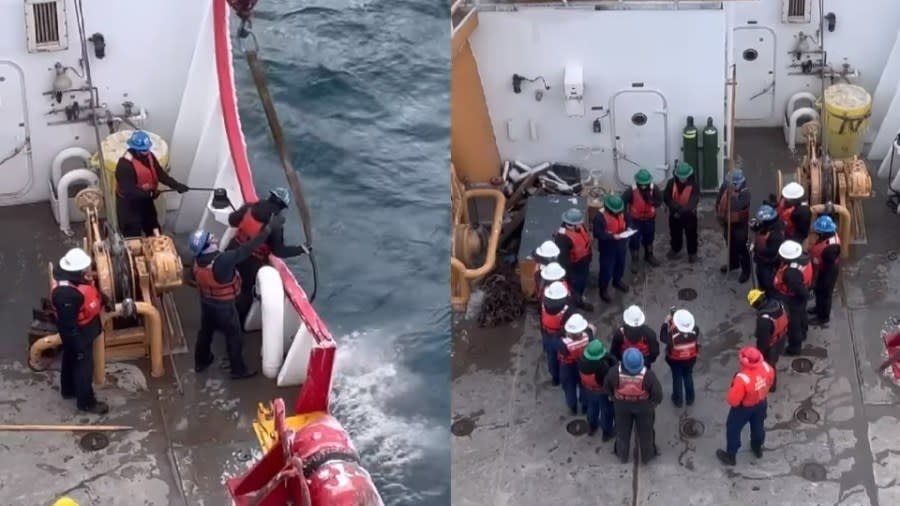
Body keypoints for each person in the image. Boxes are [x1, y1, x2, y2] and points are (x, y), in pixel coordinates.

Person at [189, 212, 285, 379]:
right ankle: (238, 370)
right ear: (206, 246)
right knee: (234, 336)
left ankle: (201, 361)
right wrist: (267, 230)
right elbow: (247, 249)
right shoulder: (224, 260)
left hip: (206, 302)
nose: (213, 237)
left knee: (205, 332)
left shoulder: (198, 261)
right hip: (224, 307)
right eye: (209, 238)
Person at [227, 188, 308, 324]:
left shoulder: (250, 207)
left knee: (225, 281)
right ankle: (236, 323)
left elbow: (232, 220)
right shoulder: (275, 225)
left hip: (233, 248)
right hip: (250, 261)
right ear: (282, 207)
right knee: (246, 292)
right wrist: (301, 249)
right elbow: (279, 251)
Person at [50, 248, 108, 414]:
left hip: (80, 330)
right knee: (84, 367)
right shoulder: (65, 295)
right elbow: (67, 326)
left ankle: (68, 390)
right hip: (78, 334)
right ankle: (86, 403)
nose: (87, 272)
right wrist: (79, 346)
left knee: (69, 360)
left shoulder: (72, 279)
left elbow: (88, 290)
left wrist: (104, 299)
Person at [114, 130, 189, 237]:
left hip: (145, 200)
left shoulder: (150, 156)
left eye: (147, 149)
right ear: (135, 149)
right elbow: (128, 190)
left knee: (152, 225)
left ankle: (156, 243)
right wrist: (149, 194)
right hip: (129, 204)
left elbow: (160, 173)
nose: (146, 152)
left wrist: (176, 185)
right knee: (132, 232)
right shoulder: (124, 165)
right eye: (143, 150)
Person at [716, 346, 775, 466]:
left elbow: (733, 401)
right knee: (758, 426)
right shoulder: (767, 367)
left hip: (743, 409)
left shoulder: (741, 379)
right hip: (761, 403)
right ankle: (757, 448)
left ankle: (731, 456)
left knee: (733, 429)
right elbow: (771, 382)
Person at [604, 348, 663, 464]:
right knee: (646, 432)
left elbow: (607, 386)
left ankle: (622, 455)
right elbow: (657, 394)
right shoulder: (648, 375)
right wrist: (652, 404)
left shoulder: (614, 372)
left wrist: (613, 397)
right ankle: (647, 456)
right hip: (643, 407)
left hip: (621, 406)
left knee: (622, 432)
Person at [773, 240, 813, 356]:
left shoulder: (790, 274)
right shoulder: (804, 259)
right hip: (801, 296)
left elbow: (798, 289)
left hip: (793, 298)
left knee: (793, 324)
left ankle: (794, 348)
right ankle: (804, 331)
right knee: (802, 314)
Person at [592, 194, 632, 303]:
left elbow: (628, 219)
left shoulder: (621, 211)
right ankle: (603, 289)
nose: (618, 213)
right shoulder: (599, 217)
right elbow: (597, 233)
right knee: (606, 270)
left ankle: (617, 281)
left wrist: (629, 227)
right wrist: (611, 236)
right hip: (607, 247)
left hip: (621, 244)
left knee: (620, 264)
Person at [747, 289, 788, 392]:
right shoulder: (778, 304)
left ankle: (771, 385)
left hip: (771, 345)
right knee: (774, 359)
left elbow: (763, 341)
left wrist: (759, 353)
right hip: (782, 337)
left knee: (769, 365)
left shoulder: (764, 320)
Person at [622, 169, 663, 273]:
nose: (644, 186)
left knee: (649, 238)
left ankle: (649, 255)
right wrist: (626, 218)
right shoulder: (631, 191)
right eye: (641, 184)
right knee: (634, 240)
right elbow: (622, 203)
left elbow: (659, 202)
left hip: (649, 219)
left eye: (646, 184)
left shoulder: (655, 189)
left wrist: (652, 201)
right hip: (635, 221)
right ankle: (635, 260)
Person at [553, 209, 594, 311]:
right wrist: (569, 277)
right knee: (575, 289)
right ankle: (577, 304)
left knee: (583, 282)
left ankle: (580, 297)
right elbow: (563, 261)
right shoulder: (562, 238)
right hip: (575, 268)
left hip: (584, 262)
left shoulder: (580, 226)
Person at [715, 169, 752, 283]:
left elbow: (737, 206)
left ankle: (746, 271)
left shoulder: (745, 193)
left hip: (739, 225)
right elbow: (719, 198)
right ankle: (733, 264)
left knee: (741, 246)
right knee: (730, 244)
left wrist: (732, 196)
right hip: (727, 222)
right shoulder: (725, 187)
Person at [555, 313, 594, 416]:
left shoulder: (563, 344)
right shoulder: (588, 337)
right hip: (583, 365)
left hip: (567, 368)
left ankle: (573, 407)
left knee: (569, 387)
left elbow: (557, 338)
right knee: (584, 386)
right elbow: (590, 330)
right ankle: (585, 406)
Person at [660, 309, 700, 407]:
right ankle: (690, 398)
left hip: (676, 360)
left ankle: (678, 400)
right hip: (691, 358)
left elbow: (663, 337)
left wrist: (666, 322)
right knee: (688, 376)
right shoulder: (695, 329)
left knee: (677, 378)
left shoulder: (673, 335)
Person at [578, 340, 617, 440]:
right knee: (606, 411)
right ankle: (606, 432)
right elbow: (609, 377)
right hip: (601, 392)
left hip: (588, 389)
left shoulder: (582, 360)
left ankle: (592, 426)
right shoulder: (602, 367)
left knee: (592, 407)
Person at [663, 162, 700, 263]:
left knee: (691, 235)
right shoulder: (671, 183)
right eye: (680, 177)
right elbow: (667, 197)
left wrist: (682, 211)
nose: (682, 180)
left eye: (684, 177)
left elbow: (694, 201)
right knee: (675, 234)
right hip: (674, 214)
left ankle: (692, 253)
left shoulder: (694, 185)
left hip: (689, 215)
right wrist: (676, 208)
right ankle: (675, 249)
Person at [808, 216, 841, 326]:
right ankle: (818, 308)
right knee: (818, 292)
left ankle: (823, 317)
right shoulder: (830, 236)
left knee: (825, 294)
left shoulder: (829, 250)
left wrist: (814, 282)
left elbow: (823, 269)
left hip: (827, 273)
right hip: (824, 269)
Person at [541, 281, 574, 386]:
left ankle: (555, 378)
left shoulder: (543, 303)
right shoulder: (566, 309)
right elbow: (569, 326)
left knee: (551, 357)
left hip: (547, 334)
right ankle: (564, 376)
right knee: (563, 358)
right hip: (560, 335)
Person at [750, 204, 785, 295]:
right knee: (760, 278)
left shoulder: (776, 234)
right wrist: (754, 227)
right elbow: (759, 229)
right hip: (761, 260)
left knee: (768, 283)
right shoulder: (767, 224)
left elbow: (772, 251)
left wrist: (756, 249)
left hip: (769, 263)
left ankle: (770, 300)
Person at [610, 305, 660, 369]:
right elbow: (654, 353)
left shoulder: (619, 334)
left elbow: (613, 353)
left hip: (624, 366)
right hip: (643, 366)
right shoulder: (649, 334)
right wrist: (643, 363)